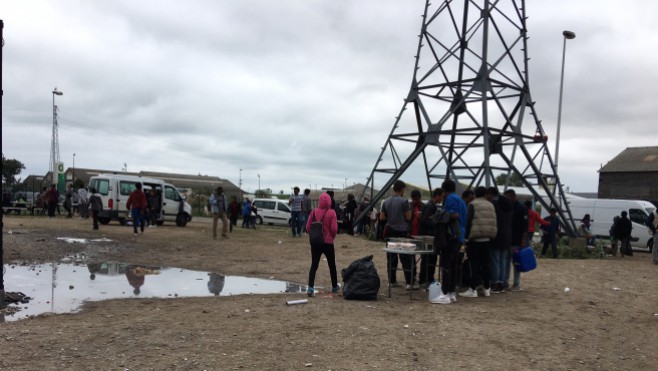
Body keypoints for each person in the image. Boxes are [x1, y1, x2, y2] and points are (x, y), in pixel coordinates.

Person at [431, 179, 467, 304]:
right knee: (452, 265)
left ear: (444, 191)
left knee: (445, 265)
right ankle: (451, 293)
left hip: (452, 237)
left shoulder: (451, 199)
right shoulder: (460, 200)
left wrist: (438, 218)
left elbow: (453, 215)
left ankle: (445, 293)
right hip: (460, 237)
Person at [460, 186, 497, 298]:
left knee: (473, 265)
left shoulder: (473, 204)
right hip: (487, 239)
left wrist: (465, 238)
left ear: (475, 194)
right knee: (486, 265)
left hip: (475, 240)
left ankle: (472, 289)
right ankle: (487, 288)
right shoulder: (490, 205)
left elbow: (468, 221)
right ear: (485, 194)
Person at [380, 180, 414, 289]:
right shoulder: (404, 202)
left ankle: (392, 280)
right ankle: (409, 282)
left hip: (390, 231)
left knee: (391, 256)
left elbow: (382, 217)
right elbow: (408, 217)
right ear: (402, 189)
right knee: (405, 257)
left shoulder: (386, 202)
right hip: (402, 231)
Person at [305, 192, 339, 297]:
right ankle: (334, 286)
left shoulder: (313, 212)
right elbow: (334, 229)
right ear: (329, 201)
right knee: (332, 265)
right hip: (328, 243)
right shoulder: (332, 213)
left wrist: (313, 235)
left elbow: (307, 228)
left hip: (315, 243)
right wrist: (331, 237)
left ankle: (310, 288)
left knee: (314, 265)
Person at [418, 188, 443, 288]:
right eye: (441, 196)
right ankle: (425, 280)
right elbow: (424, 221)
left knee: (430, 259)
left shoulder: (431, 205)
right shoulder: (429, 206)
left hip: (429, 236)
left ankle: (427, 279)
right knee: (429, 259)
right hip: (428, 236)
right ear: (437, 196)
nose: (442, 198)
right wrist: (436, 223)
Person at [488, 187, 512, 294]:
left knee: (495, 260)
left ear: (491, 194)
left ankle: (495, 283)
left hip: (496, 236)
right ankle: (502, 283)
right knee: (503, 261)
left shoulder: (494, 204)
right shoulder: (508, 204)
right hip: (507, 236)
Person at [504, 189, 528, 291]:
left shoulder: (522, 208)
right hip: (508, 238)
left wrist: (523, 239)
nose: (507, 199)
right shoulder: (507, 207)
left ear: (513, 196)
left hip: (517, 239)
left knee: (516, 262)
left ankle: (516, 283)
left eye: (508, 197)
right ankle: (505, 282)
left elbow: (525, 226)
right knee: (506, 262)